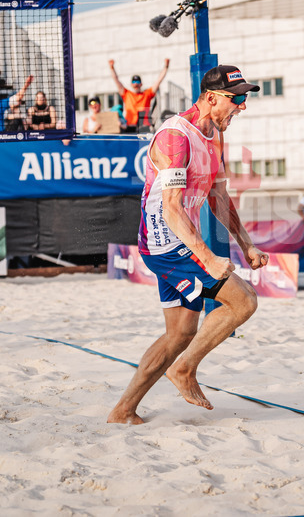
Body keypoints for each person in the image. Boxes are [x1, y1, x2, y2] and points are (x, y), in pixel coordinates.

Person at [107, 65, 267, 424]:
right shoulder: (175, 136)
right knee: (244, 301)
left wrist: (247, 245)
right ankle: (184, 371)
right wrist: (208, 257)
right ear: (211, 98)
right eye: (236, 98)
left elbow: (219, 197)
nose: (242, 106)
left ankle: (122, 411)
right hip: (164, 239)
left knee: (180, 333)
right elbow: (172, 207)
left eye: (245, 98)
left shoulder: (214, 137)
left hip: (177, 237)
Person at [108, 57, 169, 131]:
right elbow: (116, 80)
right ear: (131, 84)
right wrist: (112, 68)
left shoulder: (147, 94)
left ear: (141, 84)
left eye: (138, 82)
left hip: (144, 126)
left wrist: (166, 66)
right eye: (134, 82)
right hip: (130, 126)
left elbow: (159, 81)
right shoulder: (127, 94)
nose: (136, 84)